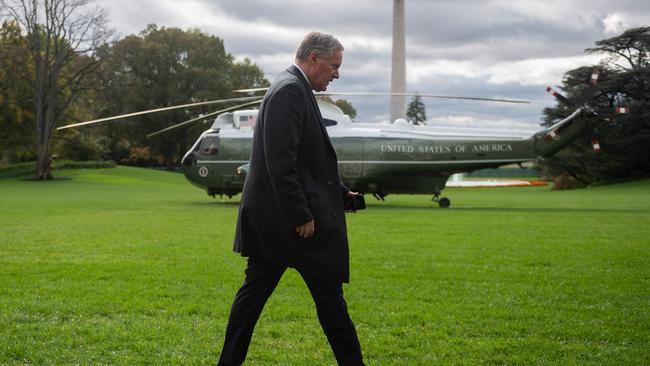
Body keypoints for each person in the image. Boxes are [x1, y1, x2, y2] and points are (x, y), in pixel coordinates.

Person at [218, 31, 365, 366]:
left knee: (257, 302)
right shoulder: (289, 92)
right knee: (329, 306)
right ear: (314, 58)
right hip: (291, 228)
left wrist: (341, 194)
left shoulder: (294, 89)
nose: (337, 74)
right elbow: (280, 164)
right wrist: (300, 215)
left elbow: (305, 162)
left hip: (278, 228)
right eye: (334, 66)